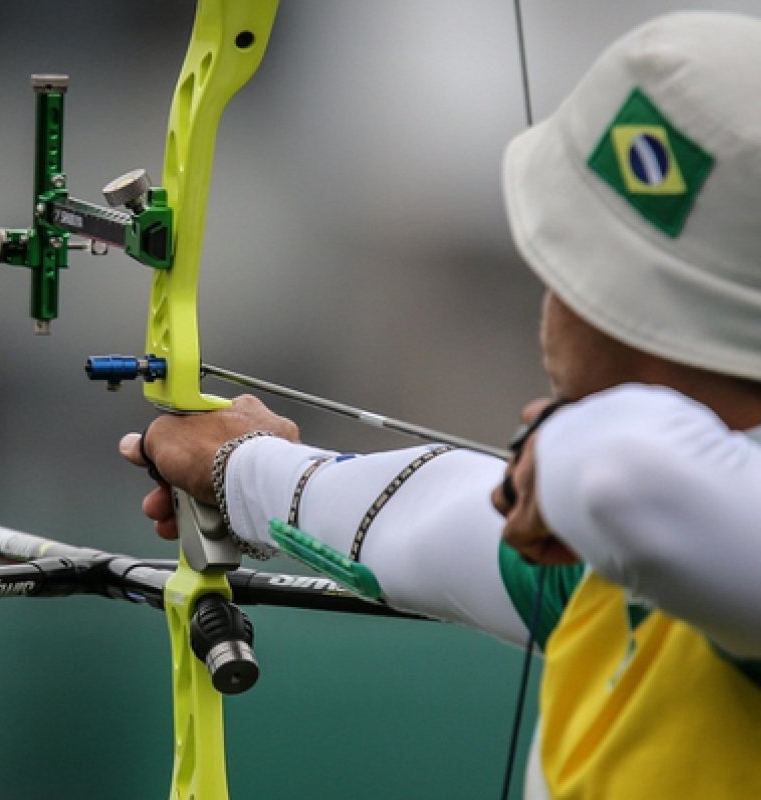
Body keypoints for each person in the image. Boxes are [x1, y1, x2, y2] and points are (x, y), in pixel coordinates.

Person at [118, 12, 761, 799]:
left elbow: (621, 478)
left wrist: (563, 445)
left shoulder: (668, 520)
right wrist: (239, 466)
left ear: (602, 300)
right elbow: (429, 518)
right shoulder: (636, 560)